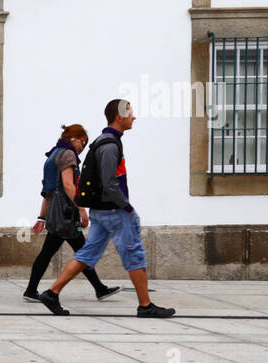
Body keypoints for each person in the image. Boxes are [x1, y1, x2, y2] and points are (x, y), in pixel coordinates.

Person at [38, 98, 176, 318]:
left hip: (101, 211)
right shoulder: (111, 145)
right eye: (130, 113)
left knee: (87, 253)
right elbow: (109, 182)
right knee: (134, 253)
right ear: (118, 117)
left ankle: (52, 293)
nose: (134, 117)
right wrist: (127, 207)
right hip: (113, 210)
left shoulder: (103, 141)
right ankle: (145, 305)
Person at [25, 123, 120, 303]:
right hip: (65, 213)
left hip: (55, 211)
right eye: (83, 143)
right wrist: (82, 209)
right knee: (82, 251)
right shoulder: (68, 154)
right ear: (75, 138)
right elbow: (69, 186)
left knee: (56, 252)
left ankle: (31, 290)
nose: (82, 148)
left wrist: (42, 217)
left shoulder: (53, 154)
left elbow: (47, 191)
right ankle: (98, 289)